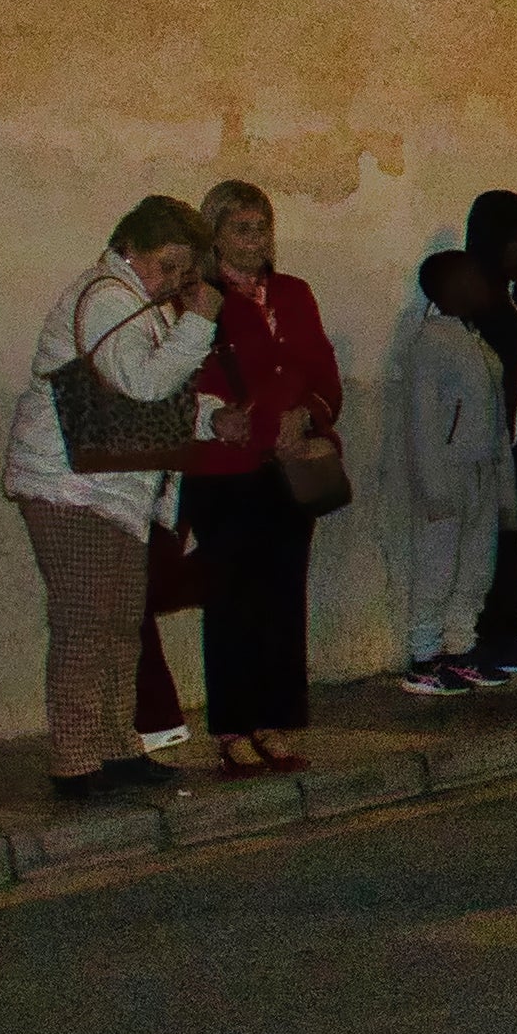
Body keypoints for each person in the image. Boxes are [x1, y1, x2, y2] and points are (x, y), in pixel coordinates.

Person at [2, 197, 221, 803]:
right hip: (68, 483)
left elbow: (155, 399)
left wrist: (213, 418)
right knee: (84, 623)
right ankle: (75, 760)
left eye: (185, 269)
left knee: (121, 624)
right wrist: (201, 323)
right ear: (130, 249)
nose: (177, 281)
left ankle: (116, 746)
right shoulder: (106, 298)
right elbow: (145, 385)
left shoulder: (136, 302)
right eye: (169, 265)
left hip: (111, 486)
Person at [181, 180, 345, 776]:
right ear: (215, 235)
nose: (256, 241)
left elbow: (324, 374)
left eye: (263, 228)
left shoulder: (295, 294)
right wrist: (254, 423)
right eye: (242, 229)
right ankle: (231, 728)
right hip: (228, 470)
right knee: (233, 598)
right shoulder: (200, 300)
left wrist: (309, 414)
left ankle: (274, 721)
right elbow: (190, 384)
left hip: (291, 466)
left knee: (281, 594)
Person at [382, 243, 517, 699]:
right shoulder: (431, 341)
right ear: (450, 287)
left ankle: (460, 649)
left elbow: (496, 417)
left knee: (475, 567)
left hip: (481, 469)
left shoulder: (474, 339)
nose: (483, 286)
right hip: (446, 473)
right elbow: (421, 421)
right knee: (437, 566)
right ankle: (424, 657)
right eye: (473, 278)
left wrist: (504, 488)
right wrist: (433, 487)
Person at [452, 190, 517, 681]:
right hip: (476, 453)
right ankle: (470, 640)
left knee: (507, 542)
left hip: (511, 450)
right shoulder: (472, 303)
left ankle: (503, 634)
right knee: (476, 545)